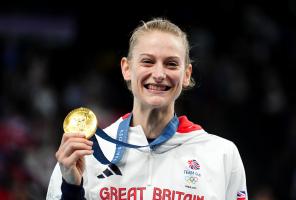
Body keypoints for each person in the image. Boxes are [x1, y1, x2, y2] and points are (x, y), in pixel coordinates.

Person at [46, 18, 248, 200]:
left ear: (186, 74)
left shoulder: (221, 155)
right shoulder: (86, 153)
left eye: (171, 64)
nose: (159, 73)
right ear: (127, 69)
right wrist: (71, 189)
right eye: (148, 61)